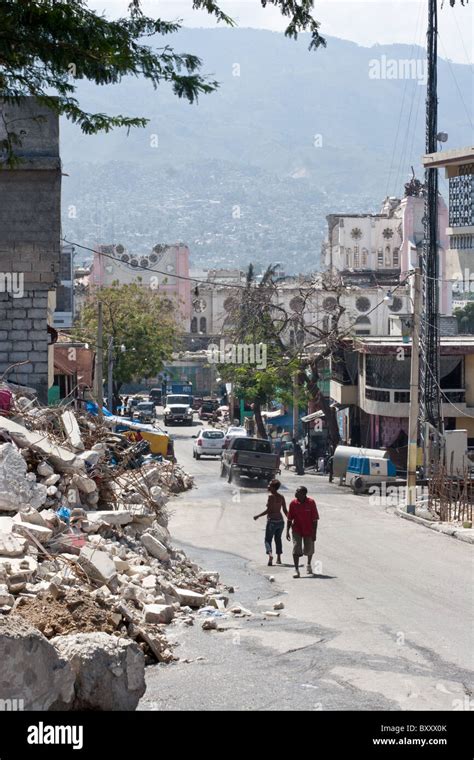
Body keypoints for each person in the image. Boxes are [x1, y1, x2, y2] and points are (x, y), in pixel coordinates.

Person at [286, 485, 319, 578]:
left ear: (303, 494)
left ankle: (308, 564)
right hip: (297, 530)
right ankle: (296, 570)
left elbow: (315, 520)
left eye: (298, 491)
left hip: (309, 530)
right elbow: (289, 519)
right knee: (296, 548)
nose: (295, 493)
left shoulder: (311, 503)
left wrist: (314, 533)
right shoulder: (293, 503)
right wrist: (287, 531)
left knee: (309, 550)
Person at [254, 479, 288, 566]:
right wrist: (290, 519)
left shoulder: (271, 497)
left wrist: (258, 515)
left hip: (272, 522)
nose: (268, 486)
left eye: (270, 485)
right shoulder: (281, 496)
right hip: (281, 522)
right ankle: (279, 559)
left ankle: (270, 555)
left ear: (273, 487)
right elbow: (284, 510)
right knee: (278, 539)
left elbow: (268, 511)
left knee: (267, 540)